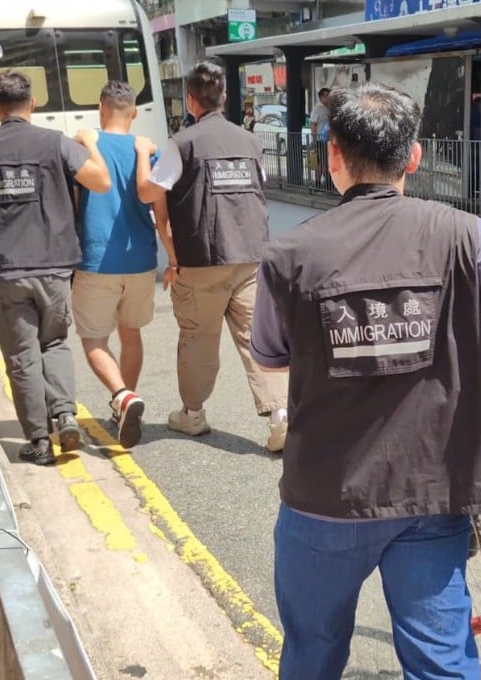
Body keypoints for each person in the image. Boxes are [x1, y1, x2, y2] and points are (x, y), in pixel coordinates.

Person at [250, 82, 481, 678]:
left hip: (324, 498)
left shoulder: (289, 255)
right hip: (431, 494)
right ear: (413, 156)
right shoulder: (464, 235)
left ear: (333, 155)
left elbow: (269, 358)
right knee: (441, 662)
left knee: (312, 651)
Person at [0, 70, 111, 465]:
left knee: (21, 355)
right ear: (33, 102)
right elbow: (101, 181)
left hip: (5, 269)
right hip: (54, 265)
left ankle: (39, 441)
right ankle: (65, 415)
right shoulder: (55, 143)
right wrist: (89, 144)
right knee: (55, 342)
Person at [138, 61, 288, 452]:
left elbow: (150, 192)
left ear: (191, 100)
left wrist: (141, 161)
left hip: (201, 259)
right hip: (251, 257)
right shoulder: (250, 141)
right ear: (223, 97)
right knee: (257, 337)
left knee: (198, 338)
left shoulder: (183, 143)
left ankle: (193, 413)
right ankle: (280, 415)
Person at [72, 81, 166, 449]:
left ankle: (122, 396)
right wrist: (173, 259)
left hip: (97, 259)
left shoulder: (84, 146)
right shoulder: (148, 151)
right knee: (131, 333)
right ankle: (125, 403)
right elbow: (161, 211)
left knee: (94, 339)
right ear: (135, 112)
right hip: (141, 259)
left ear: (100, 108)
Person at [309, 87, 331, 189]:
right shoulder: (318, 108)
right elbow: (313, 124)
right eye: (325, 96)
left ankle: (326, 183)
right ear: (321, 97)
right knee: (320, 163)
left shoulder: (330, 108)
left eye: (329, 95)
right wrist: (314, 140)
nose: (328, 97)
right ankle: (319, 184)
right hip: (320, 140)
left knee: (326, 162)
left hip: (328, 140)